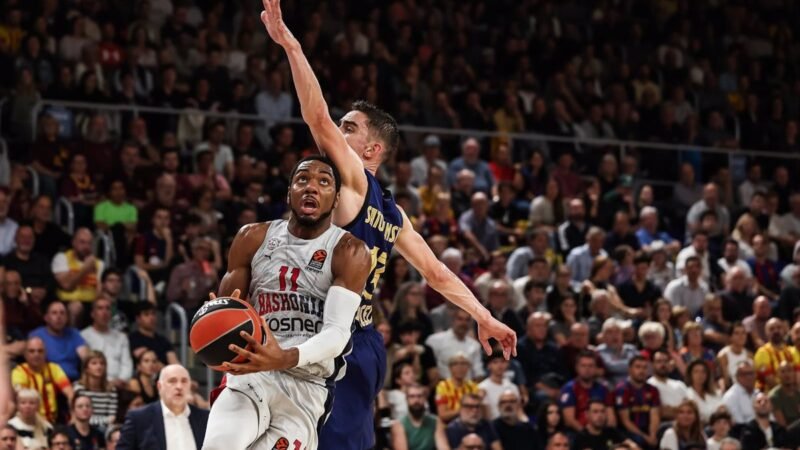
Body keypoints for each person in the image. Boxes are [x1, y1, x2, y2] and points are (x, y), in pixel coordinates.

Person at [257, 5, 516, 449]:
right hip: (361, 341)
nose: (338, 131)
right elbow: (437, 275)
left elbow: (316, 118)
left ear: (371, 148)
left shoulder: (355, 181)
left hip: (331, 340)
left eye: (350, 128)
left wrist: (291, 46)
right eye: (342, 125)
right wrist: (484, 315)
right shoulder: (395, 214)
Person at [200, 155, 371, 450]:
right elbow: (229, 309)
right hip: (252, 373)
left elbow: (337, 334)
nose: (312, 187)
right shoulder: (252, 237)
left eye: (324, 181)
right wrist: (217, 321)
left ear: (336, 199)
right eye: (302, 179)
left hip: (305, 387)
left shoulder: (349, 250)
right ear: (289, 192)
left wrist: (285, 357)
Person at [117, 364, 209, 450]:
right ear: (159, 386)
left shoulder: (205, 419)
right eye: (172, 381)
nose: (179, 386)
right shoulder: (139, 418)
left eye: (184, 381)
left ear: (190, 386)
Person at [11, 337, 75, 423]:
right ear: (25, 354)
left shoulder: (54, 368)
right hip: (29, 421)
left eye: (40, 351)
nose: (36, 354)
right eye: (32, 351)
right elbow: (23, 399)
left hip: (53, 422)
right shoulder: (19, 372)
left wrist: (74, 415)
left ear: (45, 353)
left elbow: (70, 393)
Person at [51, 228, 104, 324]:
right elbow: (67, 286)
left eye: (89, 243)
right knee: (75, 307)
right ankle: (72, 337)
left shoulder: (99, 263)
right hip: (67, 301)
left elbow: (99, 292)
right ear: (73, 243)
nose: (86, 247)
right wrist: (85, 269)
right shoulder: (62, 258)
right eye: (82, 242)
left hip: (90, 303)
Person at [29, 301, 89, 381]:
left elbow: (87, 358)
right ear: (46, 318)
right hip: (48, 381)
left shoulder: (74, 333)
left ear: (67, 318)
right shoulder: (36, 335)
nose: (59, 317)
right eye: (54, 313)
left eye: (62, 313)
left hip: (73, 380)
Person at [80, 298, 132, 386]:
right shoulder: (83, 336)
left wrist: (121, 380)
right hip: (94, 383)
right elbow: (85, 365)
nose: (104, 312)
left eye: (107, 308)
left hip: (119, 384)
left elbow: (126, 364)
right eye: (100, 308)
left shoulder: (121, 337)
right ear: (92, 314)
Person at [559, 350, 615, 432]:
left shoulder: (603, 389)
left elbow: (611, 419)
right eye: (583, 366)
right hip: (578, 433)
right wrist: (587, 435)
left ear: (596, 368)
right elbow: (569, 420)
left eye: (591, 366)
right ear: (577, 368)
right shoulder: (569, 389)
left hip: (601, 433)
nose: (587, 369)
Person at [614, 355, 660, 448]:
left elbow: (654, 415)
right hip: (628, 431)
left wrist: (652, 435)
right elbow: (625, 421)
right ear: (630, 369)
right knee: (639, 440)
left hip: (647, 429)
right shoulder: (622, 389)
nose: (641, 371)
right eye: (638, 367)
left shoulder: (652, 390)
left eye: (644, 367)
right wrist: (646, 437)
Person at [426, 309, 485, 380]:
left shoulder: (475, 345)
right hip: (442, 387)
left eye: (467, 320)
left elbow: (479, 373)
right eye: (460, 319)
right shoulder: (434, 340)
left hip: (468, 388)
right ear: (452, 320)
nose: (463, 323)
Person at [390, 384, 449, 450]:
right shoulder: (399, 425)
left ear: (425, 399)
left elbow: (444, 448)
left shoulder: (436, 422)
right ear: (407, 399)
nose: (416, 400)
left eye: (419, 396)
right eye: (412, 396)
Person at [72, 351, 119, 431]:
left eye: (102, 363)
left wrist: (96, 421)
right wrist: (103, 420)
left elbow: (112, 418)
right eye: (94, 363)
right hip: (83, 426)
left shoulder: (111, 389)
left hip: (105, 428)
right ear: (86, 368)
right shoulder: (79, 388)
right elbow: (79, 415)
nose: (99, 367)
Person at [754, 317, 800, 391]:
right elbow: (770, 382)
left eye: (779, 328)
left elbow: (798, 377)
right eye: (772, 329)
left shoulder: (792, 351)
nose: (776, 331)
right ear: (766, 332)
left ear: (784, 330)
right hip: (769, 397)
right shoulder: (762, 353)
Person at [128, 303, 178, 368]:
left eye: (153, 314)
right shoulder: (131, 339)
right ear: (138, 319)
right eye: (146, 314)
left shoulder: (163, 341)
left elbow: (174, 363)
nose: (151, 317)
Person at [435, 353, 480, 423]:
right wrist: (464, 410)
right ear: (450, 368)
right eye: (456, 364)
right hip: (449, 425)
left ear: (468, 367)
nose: (460, 367)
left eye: (464, 364)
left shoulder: (473, 386)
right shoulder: (443, 386)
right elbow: (443, 415)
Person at [647, 349, 688, 421]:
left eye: (665, 361)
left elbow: (690, 408)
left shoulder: (680, 384)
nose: (663, 364)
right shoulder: (649, 385)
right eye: (659, 361)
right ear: (653, 364)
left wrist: (671, 410)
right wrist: (680, 410)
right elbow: (660, 412)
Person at [478, 352, 520, 421]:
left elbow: (519, 411)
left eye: (503, 362)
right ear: (489, 365)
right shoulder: (482, 388)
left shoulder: (513, 387)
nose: (500, 365)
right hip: (493, 425)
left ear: (508, 364)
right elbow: (486, 416)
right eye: (495, 362)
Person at [684, 360, 723, 424]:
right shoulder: (687, 394)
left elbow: (722, 410)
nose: (700, 375)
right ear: (690, 374)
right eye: (696, 372)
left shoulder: (716, 393)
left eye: (703, 372)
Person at [722, 360, 758, 425]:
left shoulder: (758, 394)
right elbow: (739, 424)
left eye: (751, 373)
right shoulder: (731, 397)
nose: (749, 377)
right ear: (737, 377)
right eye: (744, 374)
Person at [768, 360, 800, 427]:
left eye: (789, 370)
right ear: (778, 375)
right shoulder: (775, 396)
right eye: (783, 372)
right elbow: (782, 427)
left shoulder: (798, 392)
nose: (787, 374)